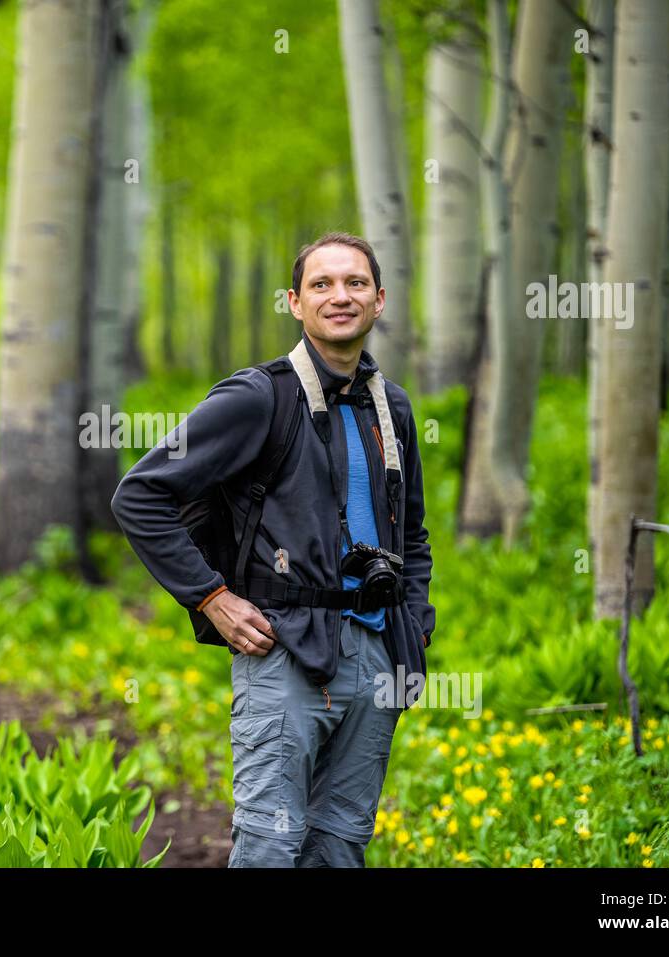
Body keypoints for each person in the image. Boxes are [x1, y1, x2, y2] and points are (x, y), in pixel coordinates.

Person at [110, 232, 435, 867]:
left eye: (355, 284)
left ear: (380, 300)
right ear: (294, 301)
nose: (340, 296)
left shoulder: (390, 406)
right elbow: (140, 495)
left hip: (376, 657)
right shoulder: (259, 396)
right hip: (284, 651)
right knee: (270, 846)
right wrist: (211, 598)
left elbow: (412, 535)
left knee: (340, 845)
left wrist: (414, 628)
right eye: (322, 284)